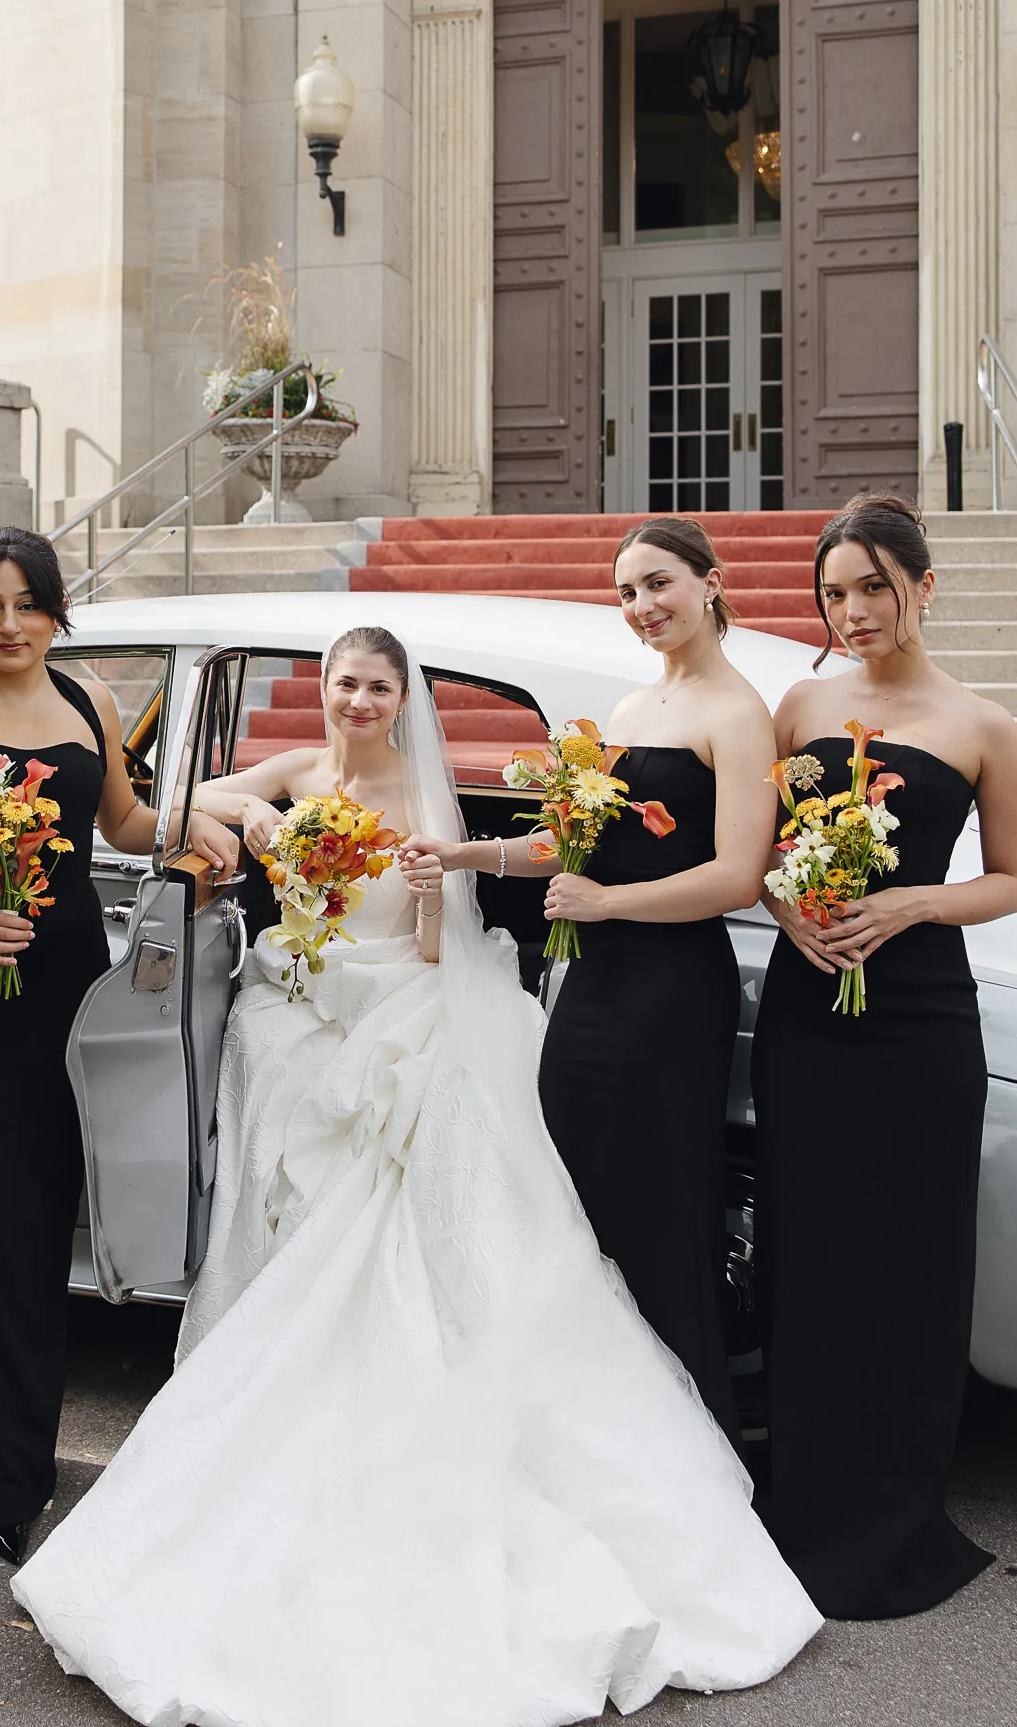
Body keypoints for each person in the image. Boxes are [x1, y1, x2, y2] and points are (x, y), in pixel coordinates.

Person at [9, 625, 821, 1727]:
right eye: (342, 680)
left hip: (384, 1021)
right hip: (284, 1014)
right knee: (287, 1212)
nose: (356, 698)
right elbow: (178, 804)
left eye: (377, 685)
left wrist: (420, 892)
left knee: (374, 1243)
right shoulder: (292, 771)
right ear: (326, 690)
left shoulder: (425, 801)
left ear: (403, 699)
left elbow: (438, 945)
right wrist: (244, 816)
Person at [0, 529, 239, 1568]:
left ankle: (29, 1463)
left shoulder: (89, 704)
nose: (8, 623)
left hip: (65, 982)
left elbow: (123, 820)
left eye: (27, 603)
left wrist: (193, 836)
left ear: (55, 611)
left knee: (43, 1216)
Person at [409, 517, 776, 1448]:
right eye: (625, 593)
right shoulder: (625, 712)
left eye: (658, 584)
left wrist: (608, 904)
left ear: (710, 582)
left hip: (671, 993)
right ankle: (580, 1430)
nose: (642, 606)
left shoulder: (740, 713)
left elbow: (739, 874)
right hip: (596, 994)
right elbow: (572, 846)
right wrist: (467, 850)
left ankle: (680, 1442)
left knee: (657, 1202)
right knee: (576, 1198)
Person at [753, 493, 1017, 1619]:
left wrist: (915, 901)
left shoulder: (982, 723)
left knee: (912, 1257)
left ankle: (896, 1506)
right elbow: (761, 852)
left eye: (874, 585)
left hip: (922, 1023)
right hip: (808, 1011)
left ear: (924, 584)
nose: (854, 609)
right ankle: (807, 1500)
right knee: (809, 1249)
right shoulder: (800, 703)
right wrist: (790, 909)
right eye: (835, 592)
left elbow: (1010, 876)